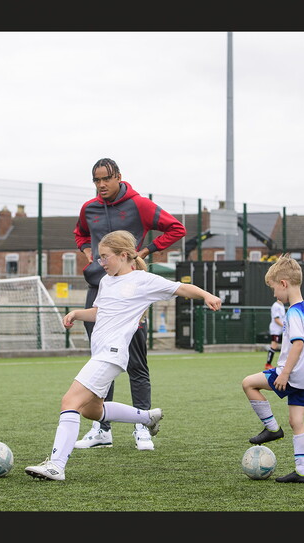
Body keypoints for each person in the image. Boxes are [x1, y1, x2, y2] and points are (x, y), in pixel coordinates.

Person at [24, 230, 221, 481]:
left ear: (124, 255)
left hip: (111, 354)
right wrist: (76, 313)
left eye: (105, 257)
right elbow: (100, 312)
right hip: (101, 354)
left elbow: (183, 288)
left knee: (69, 402)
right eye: (99, 258)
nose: (101, 263)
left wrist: (206, 295)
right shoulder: (106, 282)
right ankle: (147, 417)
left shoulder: (143, 280)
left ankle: (56, 465)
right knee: (91, 411)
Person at [71, 158, 187, 451]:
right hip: (98, 289)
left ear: (118, 177)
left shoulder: (140, 205)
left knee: (136, 361)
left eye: (105, 180)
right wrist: (87, 253)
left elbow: (176, 229)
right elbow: (80, 233)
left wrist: (142, 253)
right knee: (100, 360)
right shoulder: (89, 208)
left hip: (132, 294)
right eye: (96, 181)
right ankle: (101, 430)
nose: (100, 186)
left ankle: (142, 427)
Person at [240, 254, 304, 484]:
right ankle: (303, 472)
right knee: (297, 422)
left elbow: (298, 344)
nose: (274, 294)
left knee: (248, 383)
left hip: (290, 373)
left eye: (274, 288)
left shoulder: (293, 311)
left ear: (284, 284)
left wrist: (283, 373)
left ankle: (272, 428)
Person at [264, 299, 285, 370]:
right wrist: (284, 326)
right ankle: (268, 364)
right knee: (274, 345)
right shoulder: (275, 306)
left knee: (276, 346)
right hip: (275, 329)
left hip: (280, 329)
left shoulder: (282, 305)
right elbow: (276, 319)